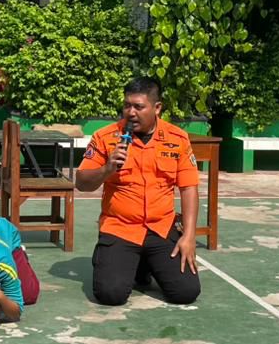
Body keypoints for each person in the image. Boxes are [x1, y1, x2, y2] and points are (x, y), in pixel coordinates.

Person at [77, 77, 201, 307]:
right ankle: (115, 259)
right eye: (127, 105)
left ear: (157, 108)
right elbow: (82, 182)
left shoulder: (177, 139)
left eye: (138, 107)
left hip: (160, 227)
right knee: (110, 295)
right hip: (120, 227)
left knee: (186, 292)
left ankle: (145, 263)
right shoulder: (105, 137)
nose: (130, 112)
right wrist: (107, 169)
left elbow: (188, 187)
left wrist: (189, 236)